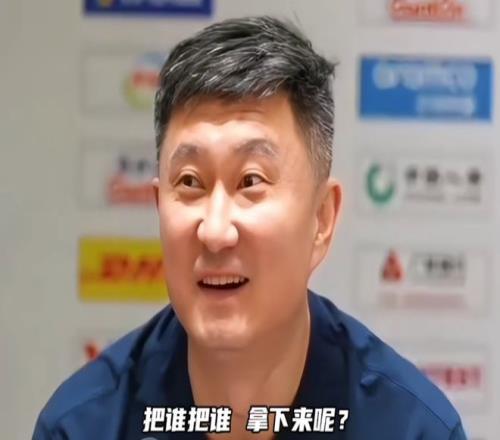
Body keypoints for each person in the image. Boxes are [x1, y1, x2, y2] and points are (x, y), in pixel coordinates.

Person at [33, 16, 467, 440]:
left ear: (321, 219)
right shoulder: (83, 426)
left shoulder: (412, 427)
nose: (215, 231)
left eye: (250, 181)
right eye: (190, 183)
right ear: (158, 205)